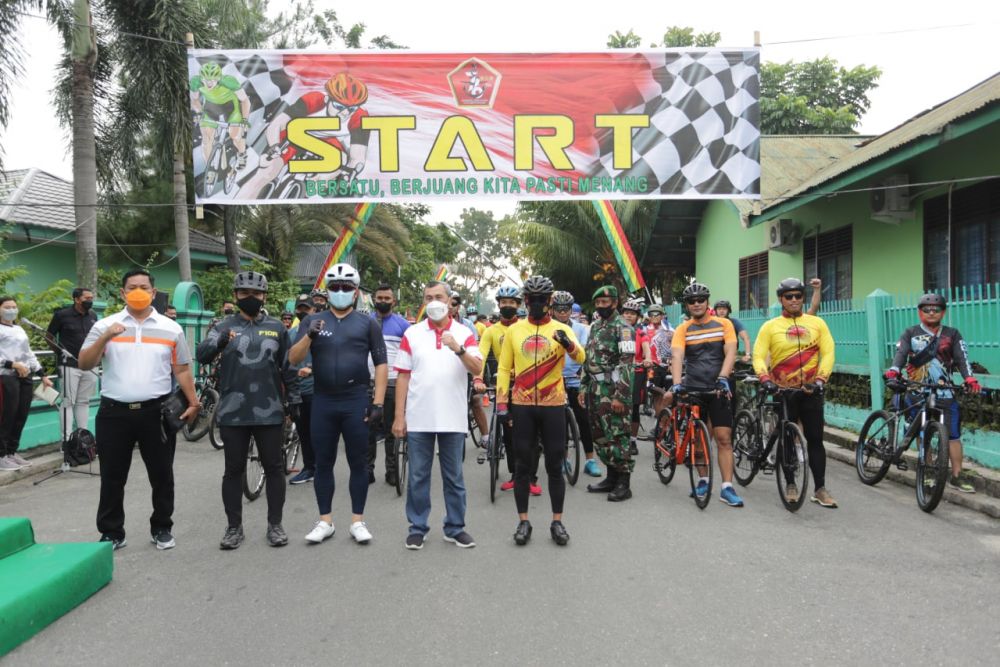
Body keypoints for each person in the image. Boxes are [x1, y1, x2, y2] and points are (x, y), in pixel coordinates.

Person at [78, 270, 200, 550]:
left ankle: (162, 527)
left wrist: (193, 402)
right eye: (132, 287)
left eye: (144, 287)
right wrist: (105, 337)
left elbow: (181, 369)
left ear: (153, 293)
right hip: (113, 413)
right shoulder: (104, 325)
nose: (138, 292)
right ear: (122, 293)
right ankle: (112, 532)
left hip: (156, 413)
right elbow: (84, 363)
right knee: (112, 476)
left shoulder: (171, 328)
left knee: (162, 474)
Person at [197, 271, 300, 549]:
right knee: (233, 470)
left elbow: (288, 367)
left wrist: (294, 400)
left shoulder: (277, 328)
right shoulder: (222, 326)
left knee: (274, 468)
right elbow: (202, 355)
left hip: (270, 411)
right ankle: (234, 528)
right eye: (244, 293)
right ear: (235, 295)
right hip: (233, 412)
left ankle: (275, 525)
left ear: (264, 296)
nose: (250, 298)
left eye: (256, 293)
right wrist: (219, 342)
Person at [289, 263, 387, 545]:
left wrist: (378, 403)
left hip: (356, 399)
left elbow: (381, 363)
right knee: (323, 463)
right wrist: (309, 335)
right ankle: (325, 521)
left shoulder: (367, 323)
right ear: (327, 291)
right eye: (335, 287)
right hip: (323, 401)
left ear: (355, 292)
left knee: (358, 462)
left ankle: (358, 521)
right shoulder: (312, 321)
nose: (340, 291)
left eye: (346, 287)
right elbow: (293, 359)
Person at [393, 280, 482, 549]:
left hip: (452, 418)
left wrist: (458, 348)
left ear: (449, 300)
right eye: (428, 297)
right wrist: (399, 416)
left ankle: (455, 527)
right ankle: (417, 527)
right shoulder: (412, 333)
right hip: (419, 417)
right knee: (418, 476)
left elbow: (477, 369)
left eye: (439, 297)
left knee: (453, 477)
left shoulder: (464, 333)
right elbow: (403, 376)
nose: (434, 302)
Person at [497, 275, 584, 546]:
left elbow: (581, 357)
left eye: (541, 299)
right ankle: (523, 521)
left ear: (549, 301)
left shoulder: (561, 328)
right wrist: (501, 403)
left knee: (554, 465)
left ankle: (557, 521)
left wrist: (568, 343)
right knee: (522, 467)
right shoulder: (514, 330)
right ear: (525, 301)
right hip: (522, 405)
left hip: (553, 404)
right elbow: (503, 368)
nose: (536, 303)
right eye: (532, 299)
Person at [884, 293, 982, 493]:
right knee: (922, 432)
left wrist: (969, 378)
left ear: (943, 312)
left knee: (953, 435)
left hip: (944, 392)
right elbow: (901, 354)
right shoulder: (910, 333)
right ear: (919, 312)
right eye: (926, 309)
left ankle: (957, 476)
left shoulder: (952, 334)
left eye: (936, 309)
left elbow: (962, 358)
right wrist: (894, 370)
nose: (931, 312)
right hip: (917, 390)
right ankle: (927, 472)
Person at [753, 277, 837, 508]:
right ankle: (790, 484)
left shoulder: (817, 323)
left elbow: (828, 352)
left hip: (811, 390)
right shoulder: (770, 327)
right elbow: (758, 355)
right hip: (782, 391)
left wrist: (820, 379)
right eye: (788, 296)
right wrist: (764, 378)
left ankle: (820, 489)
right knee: (787, 437)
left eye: (798, 296)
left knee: (816, 440)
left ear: (803, 298)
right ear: (781, 299)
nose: (793, 300)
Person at [670, 284, 742, 507]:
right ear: (687, 305)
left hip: (718, 387)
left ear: (707, 302)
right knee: (700, 441)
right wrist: (676, 383)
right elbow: (677, 356)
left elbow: (731, 351)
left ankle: (727, 488)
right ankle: (703, 480)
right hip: (694, 389)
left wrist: (723, 377)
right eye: (692, 301)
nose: (697, 304)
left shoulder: (724, 324)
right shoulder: (683, 329)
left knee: (724, 438)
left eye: (701, 299)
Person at [474, 286, 541, 494]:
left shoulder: (527, 327)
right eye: (504, 302)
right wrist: (478, 378)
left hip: (528, 385)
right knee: (510, 434)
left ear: (519, 305)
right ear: (499, 304)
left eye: (512, 302)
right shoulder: (491, 331)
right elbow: (481, 355)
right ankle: (515, 475)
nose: (508, 306)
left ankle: (531, 478)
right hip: (504, 385)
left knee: (532, 434)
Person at [581, 285, 635, 501]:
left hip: (613, 389)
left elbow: (627, 363)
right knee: (600, 435)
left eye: (605, 302)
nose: (601, 306)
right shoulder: (595, 326)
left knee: (618, 435)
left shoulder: (624, 328)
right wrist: (584, 386)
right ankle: (611, 477)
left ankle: (623, 482)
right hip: (595, 389)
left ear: (614, 302)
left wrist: (620, 396)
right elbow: (588, 358)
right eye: (598, 303)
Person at [0, 297, 55, 471]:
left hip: (25, 376)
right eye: (7, 307)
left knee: (21, 414)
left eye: (14, 307)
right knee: (7, 415)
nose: (11, 310)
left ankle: (11, 451)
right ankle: (1, 455)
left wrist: (42, 375)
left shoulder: (19, 329)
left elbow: (28, 353)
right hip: (6, 376)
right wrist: (12, 364)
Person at [551, 291, 602, 478]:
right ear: (552, 310)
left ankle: (590, 460)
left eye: (566, 308)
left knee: (584, 420)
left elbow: (585, 354)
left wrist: (584, 376)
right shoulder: (548, 328)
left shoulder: (581, 329)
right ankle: (564, 459)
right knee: (560, 424)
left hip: (576, 379)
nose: (563, 312)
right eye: (559, 309)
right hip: (555, 382)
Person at [368, 284, 409, 487]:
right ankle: (367, 470)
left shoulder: (403, 325)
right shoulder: (365, 322)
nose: (383, 301)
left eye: (387, 298)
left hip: (393, 382)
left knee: (391, 429)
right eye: (380, 298)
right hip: (368, 383)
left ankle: (392, 470)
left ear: (394, 301)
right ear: (374, 300)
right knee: (367, 429)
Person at [45, 287, 98, 443]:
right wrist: (60, 353)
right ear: (76, 299)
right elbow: (48, 337)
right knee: (68, 402)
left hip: (90, 365)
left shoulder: (93, 316)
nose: (90, 301)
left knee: (84, 402)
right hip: (68, 365)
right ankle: (66, 442)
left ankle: (82, 440)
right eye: (87, 298)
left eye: (91, 298)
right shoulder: (61, 315)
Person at [288, 297, 317, 485]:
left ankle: (315, 468)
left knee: (315, 432)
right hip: (295, 390)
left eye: (307, 308)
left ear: (314, 310)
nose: (303, 312)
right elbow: (285, 359)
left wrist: (312, 369)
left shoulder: (320, 333)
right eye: (300, 308)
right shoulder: (290, 333)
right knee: (303, 432)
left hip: (314, 390)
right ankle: (309, 467)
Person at [620, 299, 653, 456]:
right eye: (626, 313)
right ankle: (618, 438)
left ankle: (633, 440)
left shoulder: (640, 331)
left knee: (633, 407)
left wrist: (648, 358)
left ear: (638, 317)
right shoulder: (617, 330)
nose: (629, 316)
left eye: (632, 314)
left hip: (636, 372)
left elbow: (646, 347)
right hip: (618, 371)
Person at [646, 303, 674, 412]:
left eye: (656, 314)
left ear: (662, 315)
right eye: (651, 314)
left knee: (670, 394)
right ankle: (659, 419)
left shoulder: (670, 330)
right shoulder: (644, 330)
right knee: (653, 390)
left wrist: (672, 363)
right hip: (652, 367)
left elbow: (675, 348)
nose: (654, 316)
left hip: (668, 367)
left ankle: (668, 417)